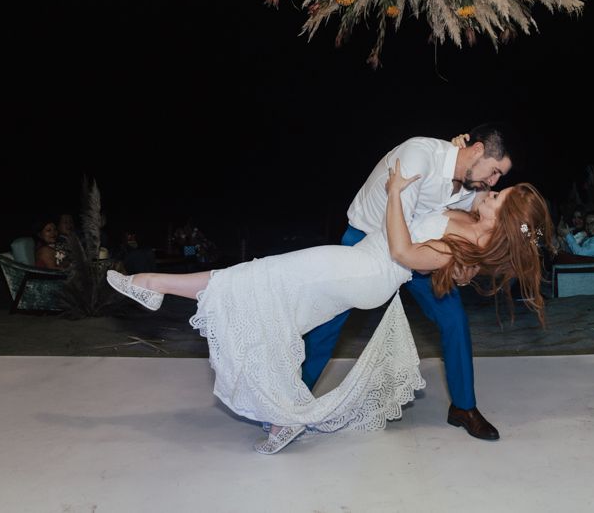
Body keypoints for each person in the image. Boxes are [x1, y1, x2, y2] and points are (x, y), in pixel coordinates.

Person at [107, 162, 552, 455]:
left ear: (502, 220)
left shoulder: (462, 245)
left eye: (497, 197)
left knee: (260, 282)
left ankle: (152, 284)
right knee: (270, 295)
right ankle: (285, 417)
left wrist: (395, 193)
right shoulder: (473, 225)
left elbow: (402, 250)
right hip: (357, 268)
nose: (488, 193)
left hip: (363, 272)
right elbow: (448, 204)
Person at [302, 124, 515, 442]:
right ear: (478, 150)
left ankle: (463, 407)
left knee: (454, 319)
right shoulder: (419, 157)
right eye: (495, 172)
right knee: (327, 325)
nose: (494, 182)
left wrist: (465, 263)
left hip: (417, 254)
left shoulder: (473, 181)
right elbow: (400, 236)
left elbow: (479, 220)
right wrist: (452, 257)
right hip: (369, 243)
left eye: (499, 178)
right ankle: (292, 404)